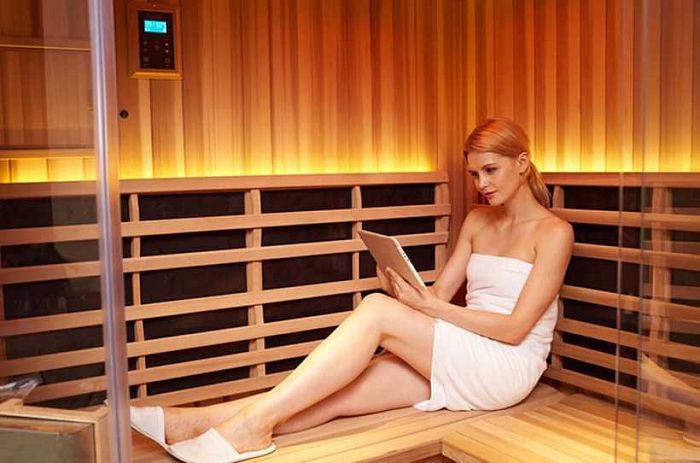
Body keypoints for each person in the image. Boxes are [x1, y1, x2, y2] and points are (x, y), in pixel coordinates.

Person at [129, 117, 574, 463]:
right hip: (465, 348)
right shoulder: (478, 220)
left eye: (491, 170)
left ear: (522, 163)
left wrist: (417, 307)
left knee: (376, 311)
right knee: (337, 396)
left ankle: (249, 429)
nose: (482, 184)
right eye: (474, 174)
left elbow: (515, 329)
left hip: (505, 366)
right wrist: (405, 290)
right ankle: (191, 423)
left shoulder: (554, 233)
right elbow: (439, 297)